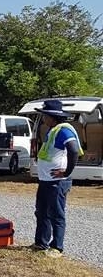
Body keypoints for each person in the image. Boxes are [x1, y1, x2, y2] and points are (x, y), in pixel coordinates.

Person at [32, 100, 82, 257]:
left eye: (44, 116)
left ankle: (57, 247)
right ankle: (41, 243)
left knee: (56, 214)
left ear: (52, 117)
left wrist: (66, 172)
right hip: (46, 180)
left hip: (57, 182)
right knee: (42, 212)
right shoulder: (52, 130)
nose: (43, 119)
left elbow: (73, 150)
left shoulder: (64, 131)